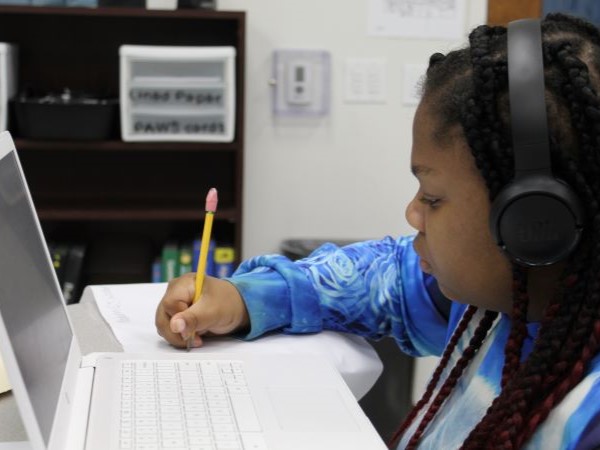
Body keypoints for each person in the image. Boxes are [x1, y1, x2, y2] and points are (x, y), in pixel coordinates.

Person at [155, 13, 600, 450]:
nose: (412, 213)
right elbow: (375, 279)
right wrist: (242, 299)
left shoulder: (588, 420)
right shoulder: (491, 297)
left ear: (533, 220)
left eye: (432, 197)